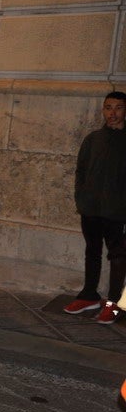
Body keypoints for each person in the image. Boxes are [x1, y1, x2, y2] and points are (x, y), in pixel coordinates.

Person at [63, 91, 126, 324]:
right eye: (108, 107)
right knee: (92, 251)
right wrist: (82, 197)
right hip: (91, 209)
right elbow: (80, 171)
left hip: (118, 211)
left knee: (118, 256)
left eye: (118, 108)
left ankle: (113, 302)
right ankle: (89, 295)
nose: (113, 113)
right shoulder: (92, 139)